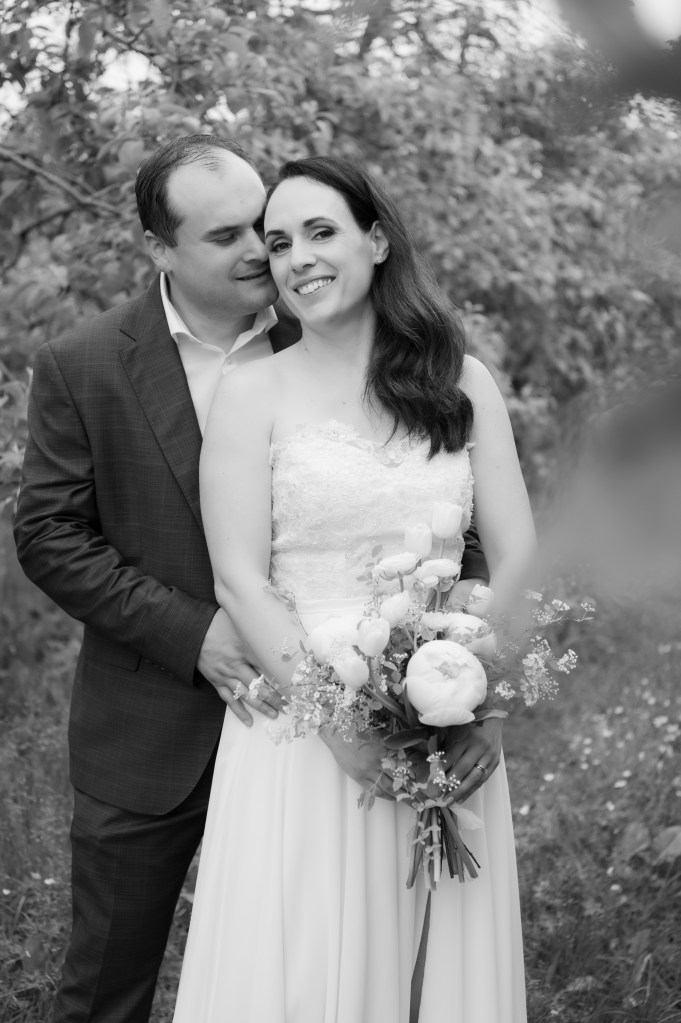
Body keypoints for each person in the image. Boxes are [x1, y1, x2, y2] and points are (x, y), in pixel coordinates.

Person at [12, 135, 489, 1023]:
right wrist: (193, 631)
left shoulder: (341, 332)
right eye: (227, 235)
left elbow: (444, 509)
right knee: (103, 991)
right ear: (160, 248)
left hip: (335, 725)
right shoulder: (84, 363)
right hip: (147, 728)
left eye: (261, 227)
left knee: (327, 977)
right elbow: (48, 535)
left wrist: (451, 652)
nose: (258, 252)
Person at [172, 157, 535, 1022]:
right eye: (280, 243)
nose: (298, 258)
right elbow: (238, 577)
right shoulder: (249, 390)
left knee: (434, 965)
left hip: (446, 716)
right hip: (301, 730)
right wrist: (339, 729)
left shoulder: (462, 382)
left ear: (376, 239)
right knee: (300, 969)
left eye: (321, 232)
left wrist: (480, 700)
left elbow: (518, 554)